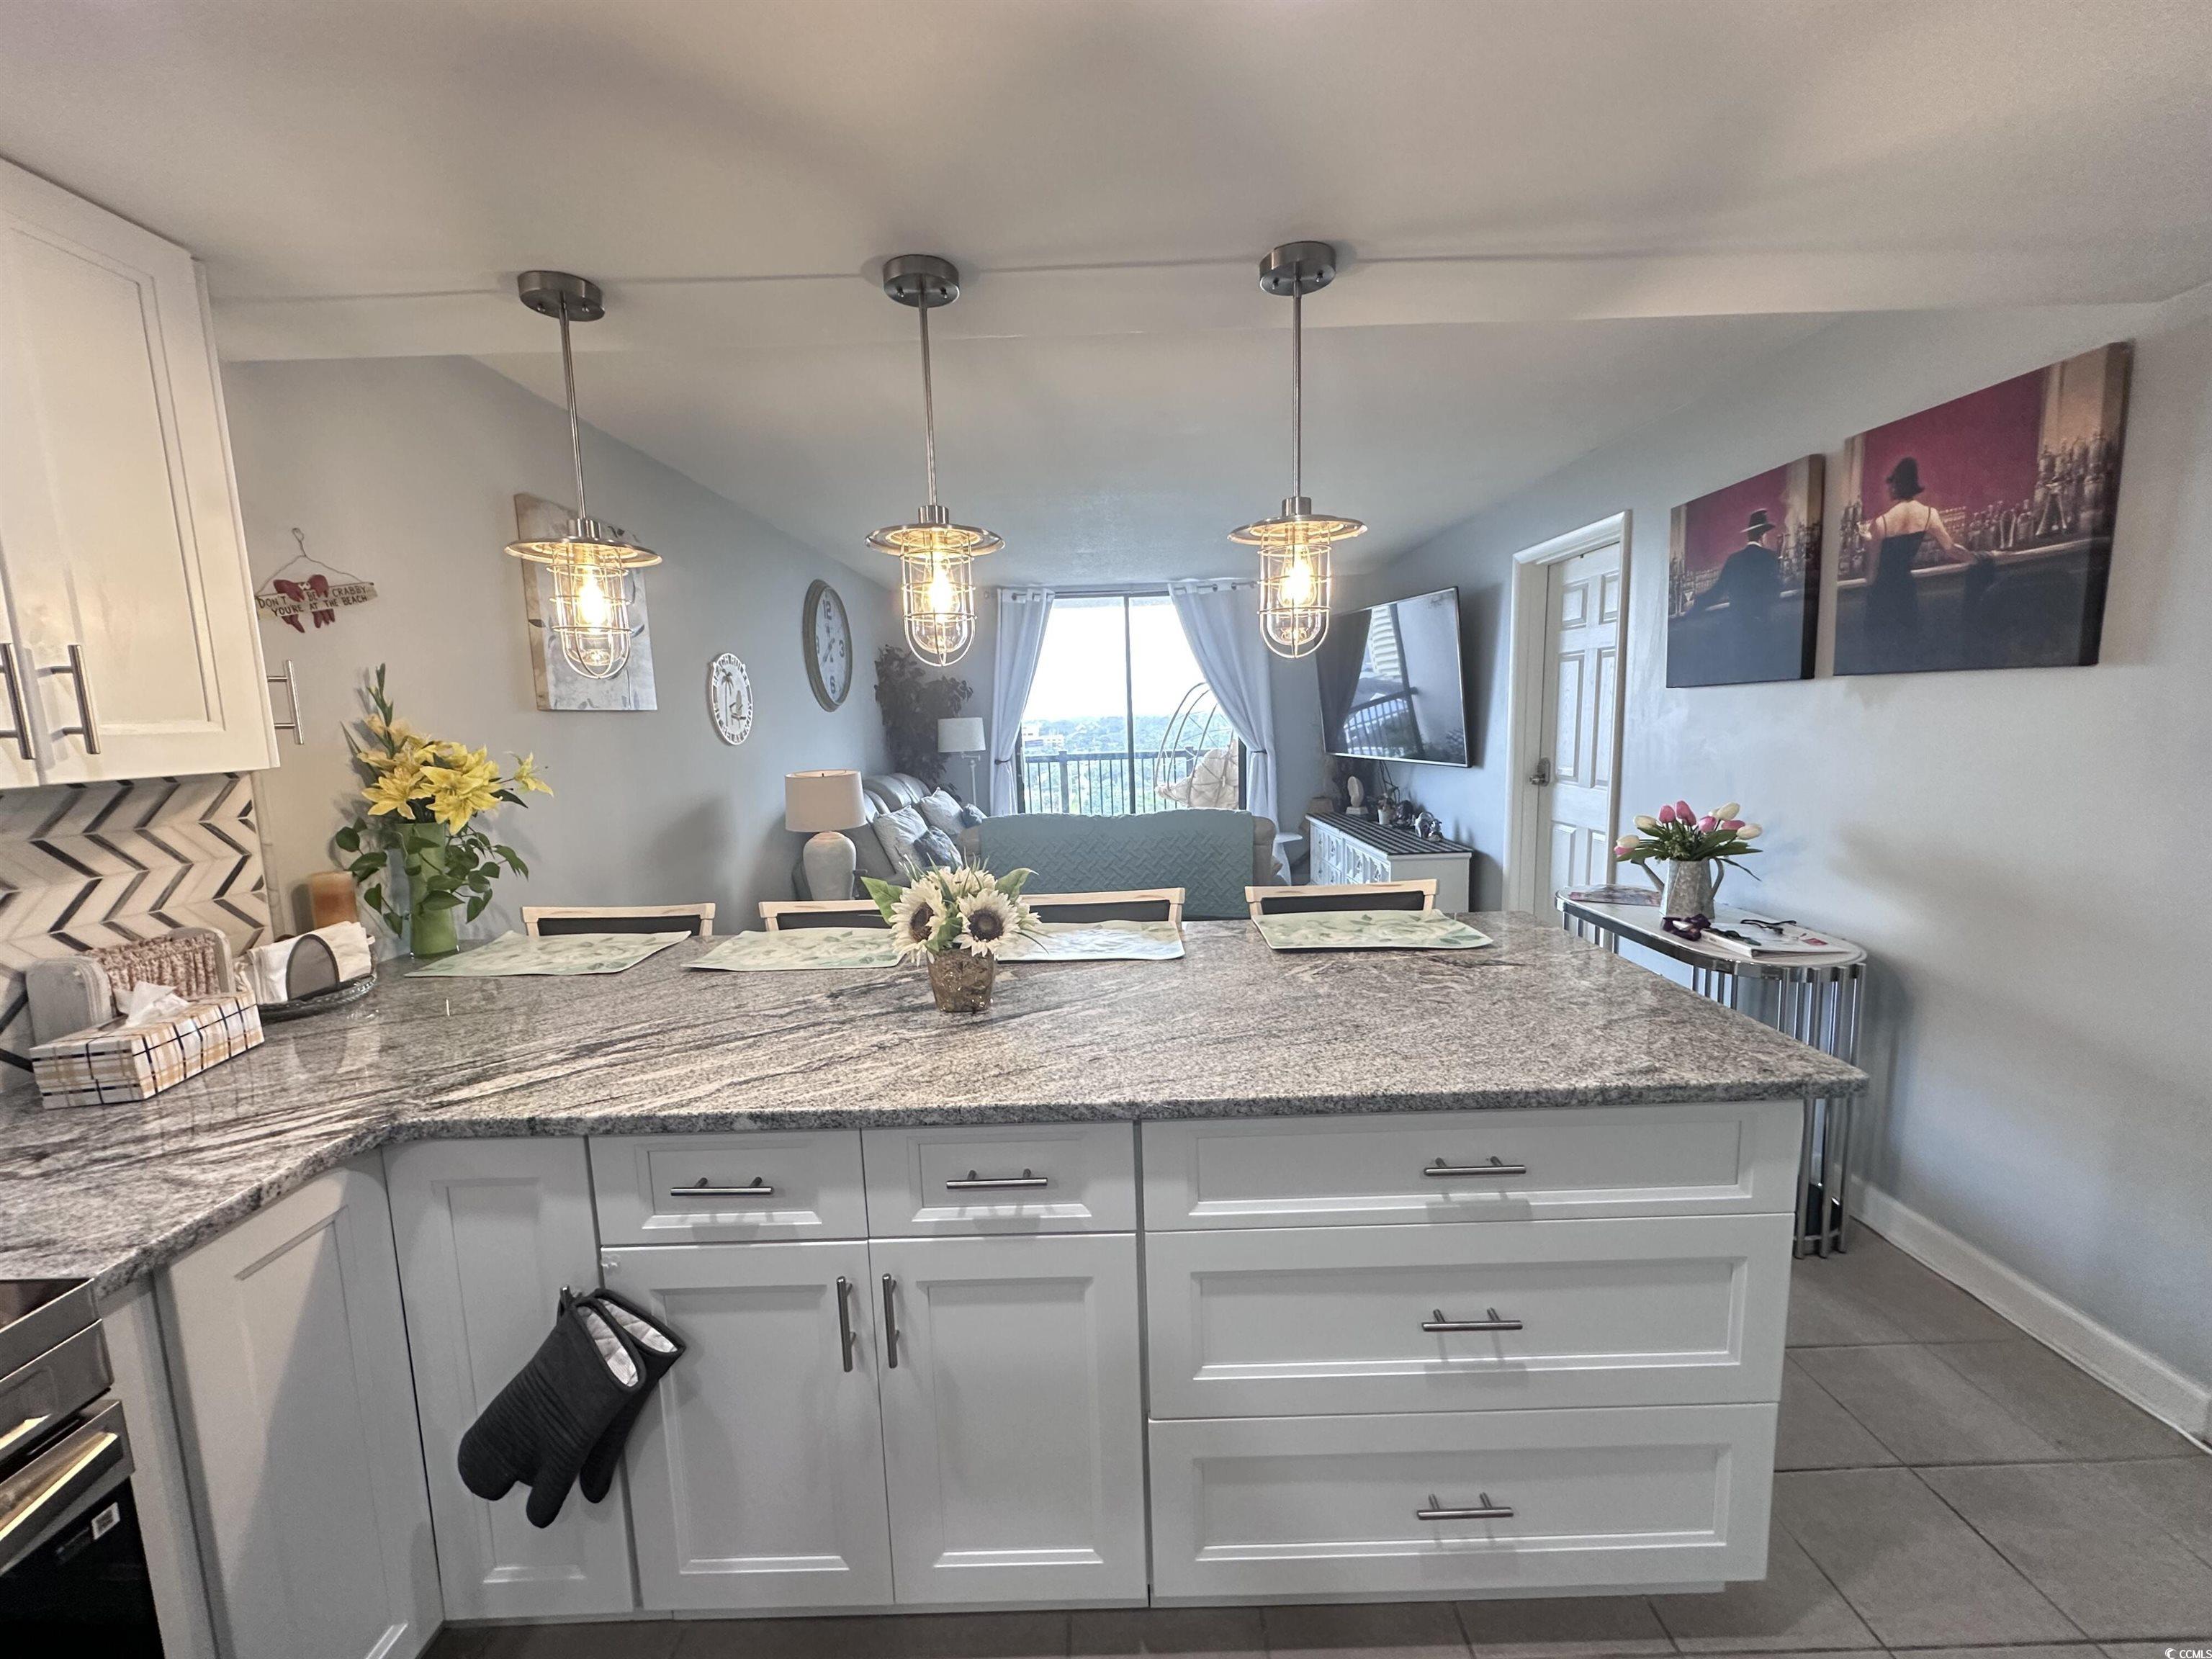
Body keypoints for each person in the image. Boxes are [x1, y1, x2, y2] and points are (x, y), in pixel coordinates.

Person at [1856, 456, 1967, 671]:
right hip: (1906, 590)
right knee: (1906, 653)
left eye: (1892, 484)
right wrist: (1980, 556)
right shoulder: (1929, 515)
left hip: (1882, 595)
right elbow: (1952, 549)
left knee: (1880, 659)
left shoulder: (1881, 523)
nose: (1889, 489)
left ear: (1897, 486)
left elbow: (1871, 575)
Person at [1689, 508, 1791, 678]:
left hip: (1737, 630)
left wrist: (1696, 605)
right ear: (1763, 536)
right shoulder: (1770, 558)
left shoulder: (1734, 560)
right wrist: (1779, 560)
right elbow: (1774, 590)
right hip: (1761, 629)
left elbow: (1717, 591)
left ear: (1750, 535)